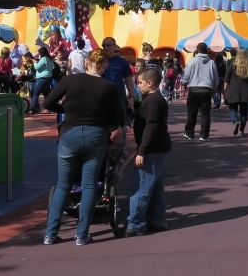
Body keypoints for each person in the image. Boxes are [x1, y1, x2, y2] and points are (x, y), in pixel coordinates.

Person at [43, 49, 125, 245]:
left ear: (86, 62)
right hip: (94, 134)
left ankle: (50, 233)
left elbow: (48, 101)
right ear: (104, 66)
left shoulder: (70, 80)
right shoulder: (108, 87)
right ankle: (81, 235)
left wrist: (66, 109)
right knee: (89, 185)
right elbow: (118, 120)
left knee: (64, 184)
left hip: (70, 132)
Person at [127, 68, 171, 237]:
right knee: (157, 186)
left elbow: (150, 127)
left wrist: (141, 151)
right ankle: (157, 219)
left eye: (140, 83)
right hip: (159, 147)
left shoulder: (153, 102)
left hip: (152, 149)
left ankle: (135, 223)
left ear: (150, 83)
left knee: (141, 186)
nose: (138, 86)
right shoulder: (153, 100)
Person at [181, 42, 218, 141]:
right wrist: (214, 87)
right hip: (207, 89)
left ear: (197, 50)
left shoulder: (192, 61)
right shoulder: (211, 62)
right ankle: (204, 135)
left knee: (192, 112)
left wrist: (184, 83)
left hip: (194, 89)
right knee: (205, 113)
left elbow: (186, 75)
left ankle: (189, 132)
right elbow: (215, 78)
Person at [100, 37, 136, 123]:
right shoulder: (99, 60)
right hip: (102, 96)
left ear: (114, 46)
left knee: (120, 121)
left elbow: (128, 79)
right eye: (103, 45)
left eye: (108, 45)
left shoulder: (122, 61)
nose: (105, 48)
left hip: (118, 95)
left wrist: (131, 96)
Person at [224, 49, 248, 135]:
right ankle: (241, 129)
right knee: (244, 111)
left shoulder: (233, 65)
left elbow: (227, 79)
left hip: (234, 89)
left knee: (232, 108)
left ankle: (235, 122)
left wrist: (225, 89)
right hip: (246, 90)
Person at [29, 46, 54, 115]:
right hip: (48, 78)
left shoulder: (43, 59)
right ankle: (48, 108)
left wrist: (34, 62)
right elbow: (52, 67)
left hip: (42, 78)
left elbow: (37, 67)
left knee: (35, 94)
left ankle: (34, 108)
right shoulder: (50, 59)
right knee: (46, 94)